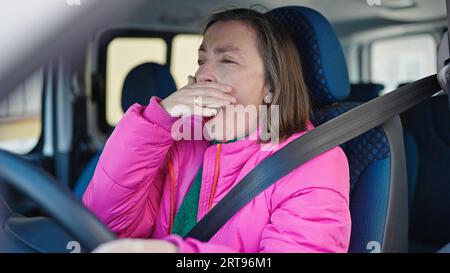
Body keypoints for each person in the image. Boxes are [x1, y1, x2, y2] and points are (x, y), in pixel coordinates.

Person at [84, 8, 351, 253]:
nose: (203, 75)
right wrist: (157, 119)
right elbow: (106, 224)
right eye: (202, 60)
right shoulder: (179, 141)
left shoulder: (313, 161)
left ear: (271, 85)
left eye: (227, 60)